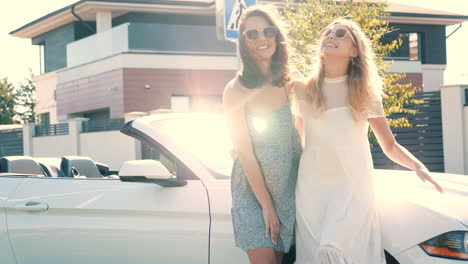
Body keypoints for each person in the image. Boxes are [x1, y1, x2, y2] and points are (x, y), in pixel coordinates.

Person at [292, 18, 444, 264]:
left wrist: (418, 166)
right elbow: (295, 141)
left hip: (351, 189)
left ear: (354, 51)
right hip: (311, 190)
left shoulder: (365, 93)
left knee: (332, 248)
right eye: (327, 32)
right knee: (316, 255)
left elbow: (390, 146)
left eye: (340, 33)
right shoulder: (302, 90)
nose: (331, 35)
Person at [223, 5, 302, 264]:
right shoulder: (235, 90)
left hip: (287, 188)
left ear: (276, 35)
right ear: (243, 42)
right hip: (251, 191)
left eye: (267, 31)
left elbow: (304, 130)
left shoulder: (291, 83)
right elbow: (245, 153)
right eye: (252, 34)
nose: (261, 38)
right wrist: (267, 206)